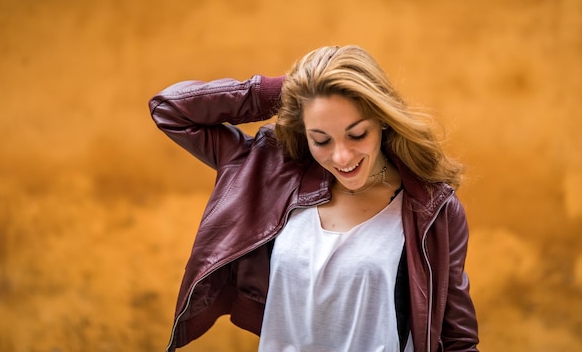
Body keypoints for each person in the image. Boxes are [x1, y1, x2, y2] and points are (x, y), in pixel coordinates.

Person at [149, 45, 479, 352]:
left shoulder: (432, 209)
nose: (342, 156)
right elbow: (170, 110)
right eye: (321, 140)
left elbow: (458, 339)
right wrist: (294, 90)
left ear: (382, 120)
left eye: (357, 134)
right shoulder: (269, 173)